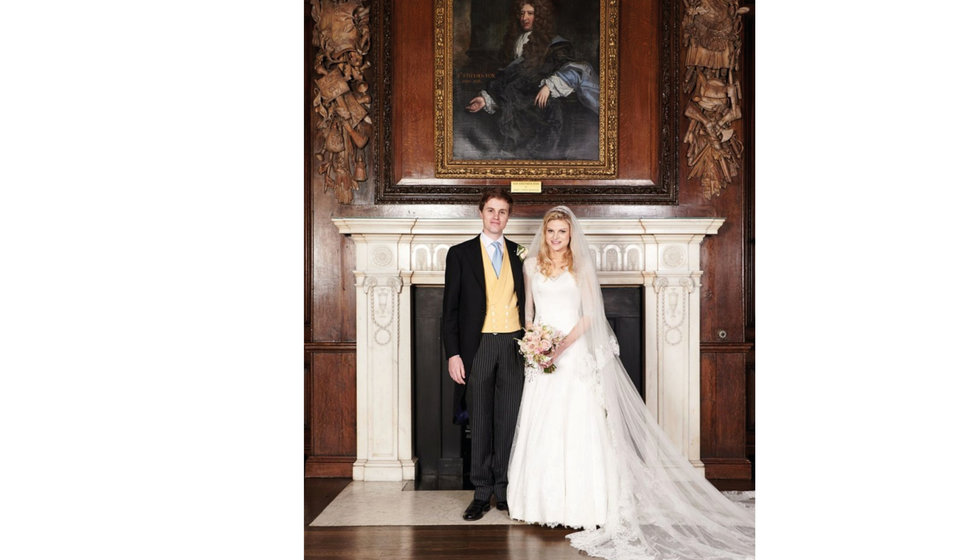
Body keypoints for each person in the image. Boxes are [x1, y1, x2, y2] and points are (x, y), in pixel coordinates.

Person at [507, 207, 755, 559]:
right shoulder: (531, 266)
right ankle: (539, 504)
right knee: (542, 424)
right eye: (552, 232)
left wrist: (558, 348)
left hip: (573, 355)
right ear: (544, 234)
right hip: (542, 360)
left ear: (571, 235)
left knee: (578, 424)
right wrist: (535, 342)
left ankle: (583, 505)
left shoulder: (581, 268)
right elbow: (529, 311)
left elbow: (590, 317)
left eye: (563, 232)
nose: (557, 238)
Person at [441, 188, 526, 521]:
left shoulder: (521, 253)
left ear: (508, 216)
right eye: (491, 210)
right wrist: (454, 354)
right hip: (477, 347)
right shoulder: (460, 254)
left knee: (507, 419)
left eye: (502, 211)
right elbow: (450, 311)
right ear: (481, 213)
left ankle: (503, 490)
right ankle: (480, 492)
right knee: (479, 419)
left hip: (513, 345)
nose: (496, 217)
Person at [464, 0, 599, 159]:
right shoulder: (518, 43)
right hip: (517, 110)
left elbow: (573, 68)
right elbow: (507, 77)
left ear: (541, 16)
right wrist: (485, 99)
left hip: (543, 109)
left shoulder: (555, 45)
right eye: (522, 13)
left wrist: (549, 86)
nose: (524, 17)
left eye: (530, 13)